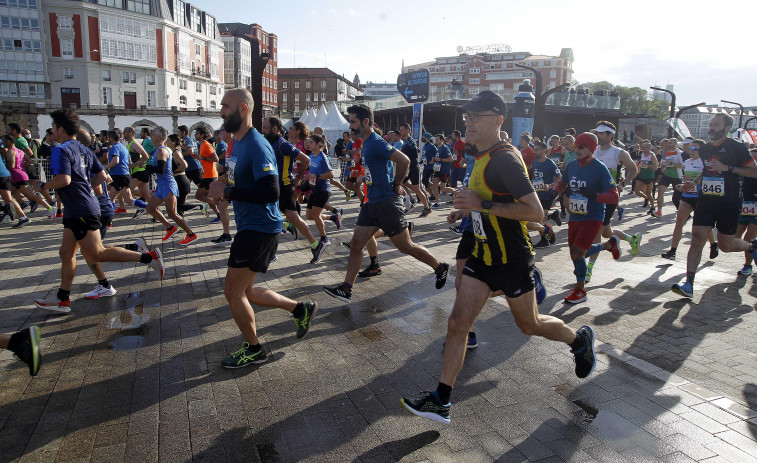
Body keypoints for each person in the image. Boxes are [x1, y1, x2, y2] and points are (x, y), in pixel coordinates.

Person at [401, 92, 595, 425]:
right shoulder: (482, 154)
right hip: (481, 255)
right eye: (467, 117)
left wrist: (483, 206)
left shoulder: (505, 158)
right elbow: (482, 200)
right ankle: (441, 400)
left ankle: (579, 341)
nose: (470, 122)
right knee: (457, 324)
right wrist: (465, 209)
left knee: (529, 325)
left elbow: (535, 210)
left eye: (477, 116)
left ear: (498, 121)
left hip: (512, 261)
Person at [208, 88, 317, 368]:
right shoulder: (239, 143)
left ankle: (254, 349)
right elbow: (245, 184)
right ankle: (300, 309)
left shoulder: (257, 144)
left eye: (225, 106)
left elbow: (271, 192)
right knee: (245, 291)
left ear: (243, 108)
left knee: (232, 292)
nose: (221, 111)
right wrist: (223, 189)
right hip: (253, 226)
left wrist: (229, 191)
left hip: (259, 228)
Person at [32, 109, 164, 312]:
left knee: (97, 253)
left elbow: (63, 180)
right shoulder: (84, 149)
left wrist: (42, 186)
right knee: (66, 253)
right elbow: (103, 175)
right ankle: (62, 298)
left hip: (81, 210)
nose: (51, 131)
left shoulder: (60, 150)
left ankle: (149, 258)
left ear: (60, 129)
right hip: (78, 209)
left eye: (52, 127)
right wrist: (86, 188)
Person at [323, 104, 449, 303]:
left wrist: (396, 184)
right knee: (356, 244)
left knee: (405, 247)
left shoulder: (375, 142)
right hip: (371, 202)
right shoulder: (366, 143)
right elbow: (381, 168)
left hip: (386, 203)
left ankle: (440, 267)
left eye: (353, 122)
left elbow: (404, 161)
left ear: (366, 122)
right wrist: (366, 180)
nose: (350, 126)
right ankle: (346, 289)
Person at [671, 113, 757, 297]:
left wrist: (729, 169)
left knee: (726, 245)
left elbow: (754, 171)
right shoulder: (706, 149)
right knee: (696, 239)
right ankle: (689, 284)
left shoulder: (737, 148)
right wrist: (694, 183)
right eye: (710, 124)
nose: (711, 127)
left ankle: (751, 247)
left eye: (716, 124)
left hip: (730, 203)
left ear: (727, 127)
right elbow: (708, 171)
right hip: (707, 201)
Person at [549, 132, 622, 303]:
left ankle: (580, 290)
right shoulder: (572, 165)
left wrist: (594, 195)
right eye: (576, 146)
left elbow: (614, 197)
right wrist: (554, 192)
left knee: (577, 252)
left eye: (582, 147)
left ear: (591, 149)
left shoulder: (599, 168)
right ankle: (608, 245)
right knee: (576, 252)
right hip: (575, 215)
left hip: (593, 215)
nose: (577, 150)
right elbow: (563, 183)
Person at [261, 116, 328, 263]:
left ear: (275, 128)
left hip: (283, 187)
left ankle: (270, 251)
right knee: (293, 218)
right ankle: (316, 245)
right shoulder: (268, 143)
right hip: (274, 186)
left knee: (268, 217)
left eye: (265, 127)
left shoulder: (282, 144)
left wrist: (297, 178)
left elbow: (306, 160)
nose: (263, 130)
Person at [585, 121, 641, 283]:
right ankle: (632, 239)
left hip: (609, 198)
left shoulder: (619, 153)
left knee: (596, 234)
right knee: (607, 233)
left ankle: (588, 270)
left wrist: (622, 184)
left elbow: (634, 169)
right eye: (597, 133)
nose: (598, 135)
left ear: (610, 135)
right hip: (594, 198)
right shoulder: (593, 150)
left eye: (601, 133)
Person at [661, 139, 718, 261]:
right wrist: (681, 185)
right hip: (687, 196)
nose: (690, 151)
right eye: (690, 148)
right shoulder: (686, 162)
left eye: (694, 148)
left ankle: (713, 244)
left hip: (700, 198)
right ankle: (673, 251)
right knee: (679, 223)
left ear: (701, 150)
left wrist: (693, 181)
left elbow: (707, 179)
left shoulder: (705, 163)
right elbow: (685, 180)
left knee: (704, 226)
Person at [146, 129, 198, 245]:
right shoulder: (163, 150)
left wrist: (147, 168)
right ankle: (170, 228)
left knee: (173, 214)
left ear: (159, 137)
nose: (151, 137)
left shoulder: (162, 151)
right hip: (161, 186)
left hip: (168, 186)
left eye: (152, 134)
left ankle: (191, 235)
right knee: (150, 208)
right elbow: (173, 166)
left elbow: (161, 169)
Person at [106, 129, 148, 214]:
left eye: (108, 138)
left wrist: (105, 167)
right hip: (120, 175)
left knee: (129, 200)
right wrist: (136, 164)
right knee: (111, 198)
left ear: (111, 138)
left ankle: (149, 208)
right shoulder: (124, 147)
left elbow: (115, 160)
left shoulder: (115, 147)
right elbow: (130, 164)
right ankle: (109, 221)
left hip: (120, 176)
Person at [399, 123, 431, 217]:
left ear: (408, 131)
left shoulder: (410, 142)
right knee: (400, 184)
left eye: (402, 130)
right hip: (409, 168)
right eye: (400, 130)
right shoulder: (405, 142)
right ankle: (410, 202)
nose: (401, 131)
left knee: (417, 189)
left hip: (413, 168)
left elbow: (414, 155)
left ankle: (426, 207)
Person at [735, 148, 757, 275]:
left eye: (754, 158)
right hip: (742, 207)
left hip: (755, 209)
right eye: (750, 158)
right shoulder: (741, 172)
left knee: (750, 238)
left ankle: (747, 266)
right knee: (734, 239)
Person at [122, 126, 152, 217]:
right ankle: (156, 212)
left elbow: (145, 156)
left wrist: (134, 164)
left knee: (125, 190)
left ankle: (141, 207)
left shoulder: (134, 144)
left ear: (130, 133)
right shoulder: (129, 144)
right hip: (137, 172)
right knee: (146, 196)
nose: (123, 133)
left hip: (140, 172)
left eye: (125, 132)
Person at [654, 138, 683, 217]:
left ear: (675, 144)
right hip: (667, 175)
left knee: (677, 197)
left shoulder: (679, 153)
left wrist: (673, 164)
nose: (669, 144)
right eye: (668, 143)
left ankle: (681, 210)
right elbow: (667, 164)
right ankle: (659, 211)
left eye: (671, 143)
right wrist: (664, 168)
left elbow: (682, 166)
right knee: (660, 191)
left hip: (677, 176)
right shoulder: (667, 152)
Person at [431, 134, 454, 208]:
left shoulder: (445, 148)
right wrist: (434, 159)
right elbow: (438, 157)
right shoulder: (438, 147)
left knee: (443, 188)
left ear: (442, 140)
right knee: (434, 184)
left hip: (444, 170)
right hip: (437, 169)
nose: (436, 141)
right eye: (435, 139)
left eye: (437, 139)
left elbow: (451, 159)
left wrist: (440, 159)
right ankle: (437, 202)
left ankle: (456, 192)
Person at [634, 140, 658, 209]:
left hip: (649, 176)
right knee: (637, 191)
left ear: (650, 148)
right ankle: (646, 198)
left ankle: (653, 207)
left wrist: (647, 164)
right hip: (641, 175)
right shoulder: (642, 154)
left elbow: (656, 168)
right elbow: (641, 163)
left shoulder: (652, 155)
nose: (643, 148)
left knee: (649, 193)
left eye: (645, 147)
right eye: (643, 147)